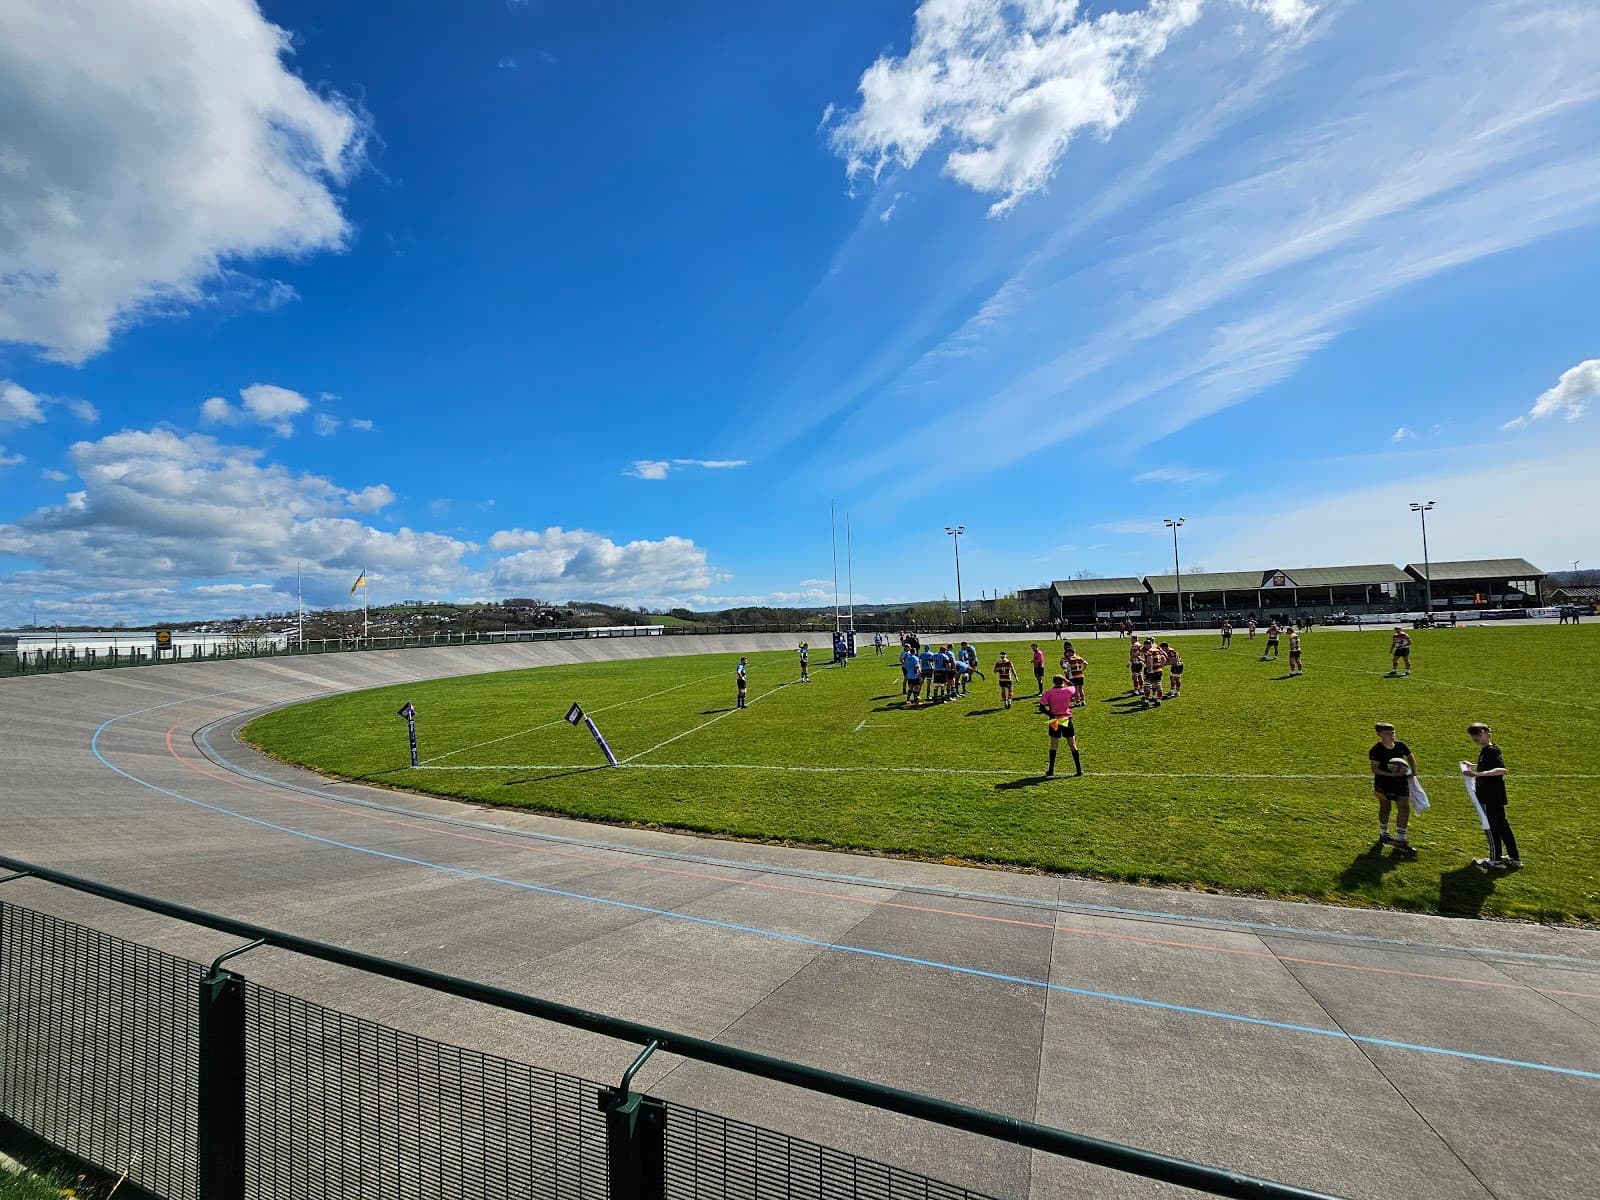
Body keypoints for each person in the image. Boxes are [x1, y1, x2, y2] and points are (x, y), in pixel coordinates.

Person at [1466, 723, 1520, 869]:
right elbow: (1489, 766)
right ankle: (1514, 857)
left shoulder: (1490, 751)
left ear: (1487, 733)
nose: (1475, 737)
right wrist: (1474, 766)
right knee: (1503, 825)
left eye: (1478, 734)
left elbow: (1501, 770)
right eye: (1473, 735)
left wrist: (1476, 774)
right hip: (1496, 795)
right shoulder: (1489, 750)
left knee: (1491, 826)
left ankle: (1495, 860)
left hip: (1488, 796)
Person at [1368, 722, 1417, 850]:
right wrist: (1391, 775)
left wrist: (1413, 770)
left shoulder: (1400, 746)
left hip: (1401, 782)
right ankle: (1384, 833)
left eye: (1393, 733)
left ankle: (1400, 839)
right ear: (1379, 734)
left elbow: (1410, 756)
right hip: (1383, 783)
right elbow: (1375, 769)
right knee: (1385, 808)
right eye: (1388, 734)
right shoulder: (1376, 750)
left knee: (1404, 807)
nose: (1391, 736)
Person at [1038, 674, 1083, 777]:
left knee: (1054, 745)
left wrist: (1050, 714)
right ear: (1063, 681)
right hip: (1066, 719)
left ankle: (1051, 770)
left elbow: (1041, 708)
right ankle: (1079, 770)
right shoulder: (1068, 691)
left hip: (1054, 720)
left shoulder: (1048, 693)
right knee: (1072, 744)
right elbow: (1073, 686)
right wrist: (1066, 680)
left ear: (1053, 682)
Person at [1142, 639, 1166, 705]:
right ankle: (1158, 701)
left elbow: (1150, 660)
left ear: (1148, 645)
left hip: (1152, 671)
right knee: (1158, 685)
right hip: (1159, 671)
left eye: (1145, 645)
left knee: (1147, 685)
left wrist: (1150, 669)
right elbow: (1164, 658)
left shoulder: (1149, 652)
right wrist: (1160, 666)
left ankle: (1146, 701)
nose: (1145, 647)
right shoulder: (1157, 650)